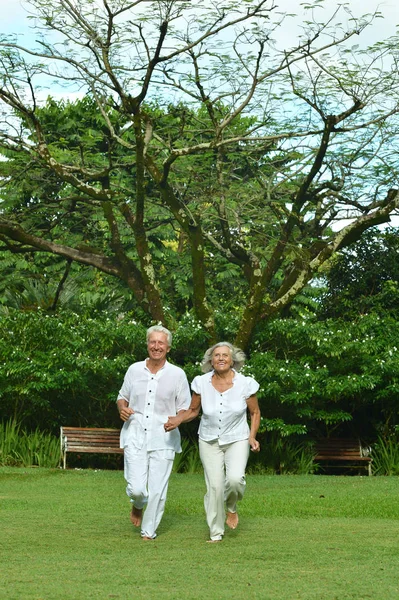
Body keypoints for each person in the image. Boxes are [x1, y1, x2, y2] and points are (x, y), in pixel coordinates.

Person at [165, 341, 261, 542]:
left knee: (235, 480)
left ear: (232, 360)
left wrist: (252, 436)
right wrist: (177, 420)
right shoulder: (201, 382)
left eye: (225, 355)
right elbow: (193, 411)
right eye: (216, 355)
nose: (221, 358)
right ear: (211, 360)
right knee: (215, 486)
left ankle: (232, 507)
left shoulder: (246, 384)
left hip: (237, 438)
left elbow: (255, 412)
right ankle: (216, 532)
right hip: (209, 440)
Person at [117, 325, 191, 540]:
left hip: (163, 437)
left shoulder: (178, 374)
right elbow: (122, 397)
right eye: (153, 342)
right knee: (138, 488)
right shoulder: (134, 369)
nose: (156, 346)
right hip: (135, 433)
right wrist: (122, 408)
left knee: (158, 488)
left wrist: (178, 419)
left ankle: (148, 531)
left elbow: (185, 408)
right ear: (147, 344)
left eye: (161, 343)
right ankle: (138, 503)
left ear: (168, 347)